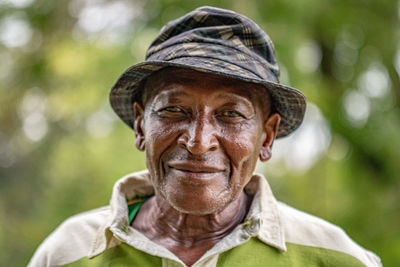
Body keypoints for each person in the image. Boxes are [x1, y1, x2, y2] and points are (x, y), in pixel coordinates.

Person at [28, 6, 381, 267]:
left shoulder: (333, 257)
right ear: (140, 126)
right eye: (173, 110)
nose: (198, 142)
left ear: (267, 137)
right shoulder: (68, 252)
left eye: (231, 114)